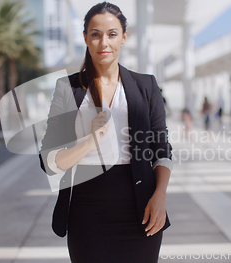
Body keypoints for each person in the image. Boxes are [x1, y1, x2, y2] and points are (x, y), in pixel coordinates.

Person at [38, 2, 172, 262]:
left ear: (124, 37)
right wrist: (89, 142)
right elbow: (49, 161)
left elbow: (162, 149)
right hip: (86, 212)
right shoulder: (68, 89)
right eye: (95, 34)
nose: (103, 43)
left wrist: (160, 195)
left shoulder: (146, 85)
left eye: (112, 34)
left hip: (141, 208)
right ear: (86, 38)